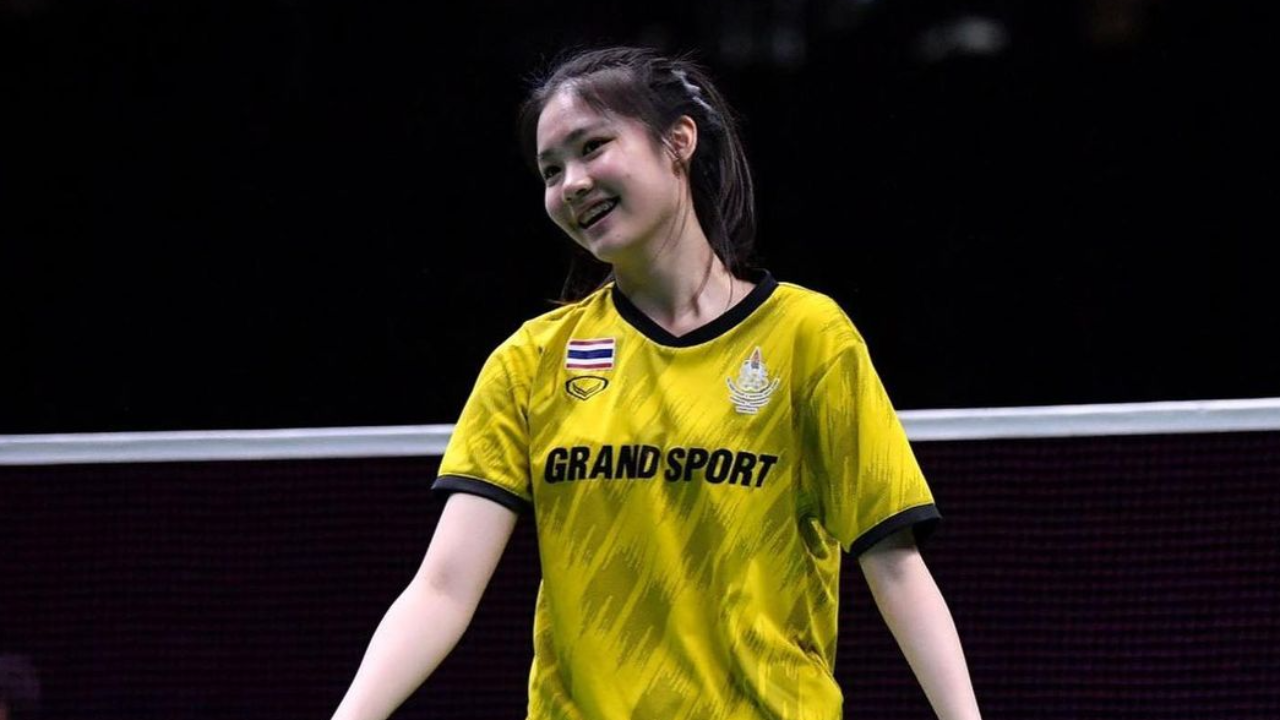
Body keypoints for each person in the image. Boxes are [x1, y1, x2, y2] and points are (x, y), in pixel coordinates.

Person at [332, 46, 982, 720]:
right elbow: (442, 589)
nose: (571, 183)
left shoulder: (807, 337)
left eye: (592, 147)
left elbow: (893, 560)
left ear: (679, 142)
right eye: (550, 170)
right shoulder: (531, 361)